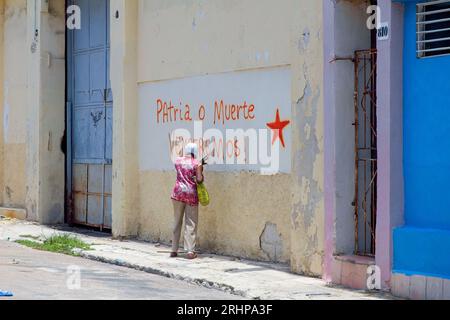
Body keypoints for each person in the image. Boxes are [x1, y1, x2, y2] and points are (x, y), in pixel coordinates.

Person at [170, 143, 204, 259]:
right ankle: (190, 251)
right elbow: (199, 179)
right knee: (190, 223)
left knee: (177, 221)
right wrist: (201, 171)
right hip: (191, 194)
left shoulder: (177, 161)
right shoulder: (197, 163)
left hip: (177, 193)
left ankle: (174, 250)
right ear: (195, 151)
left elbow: (181, 172)